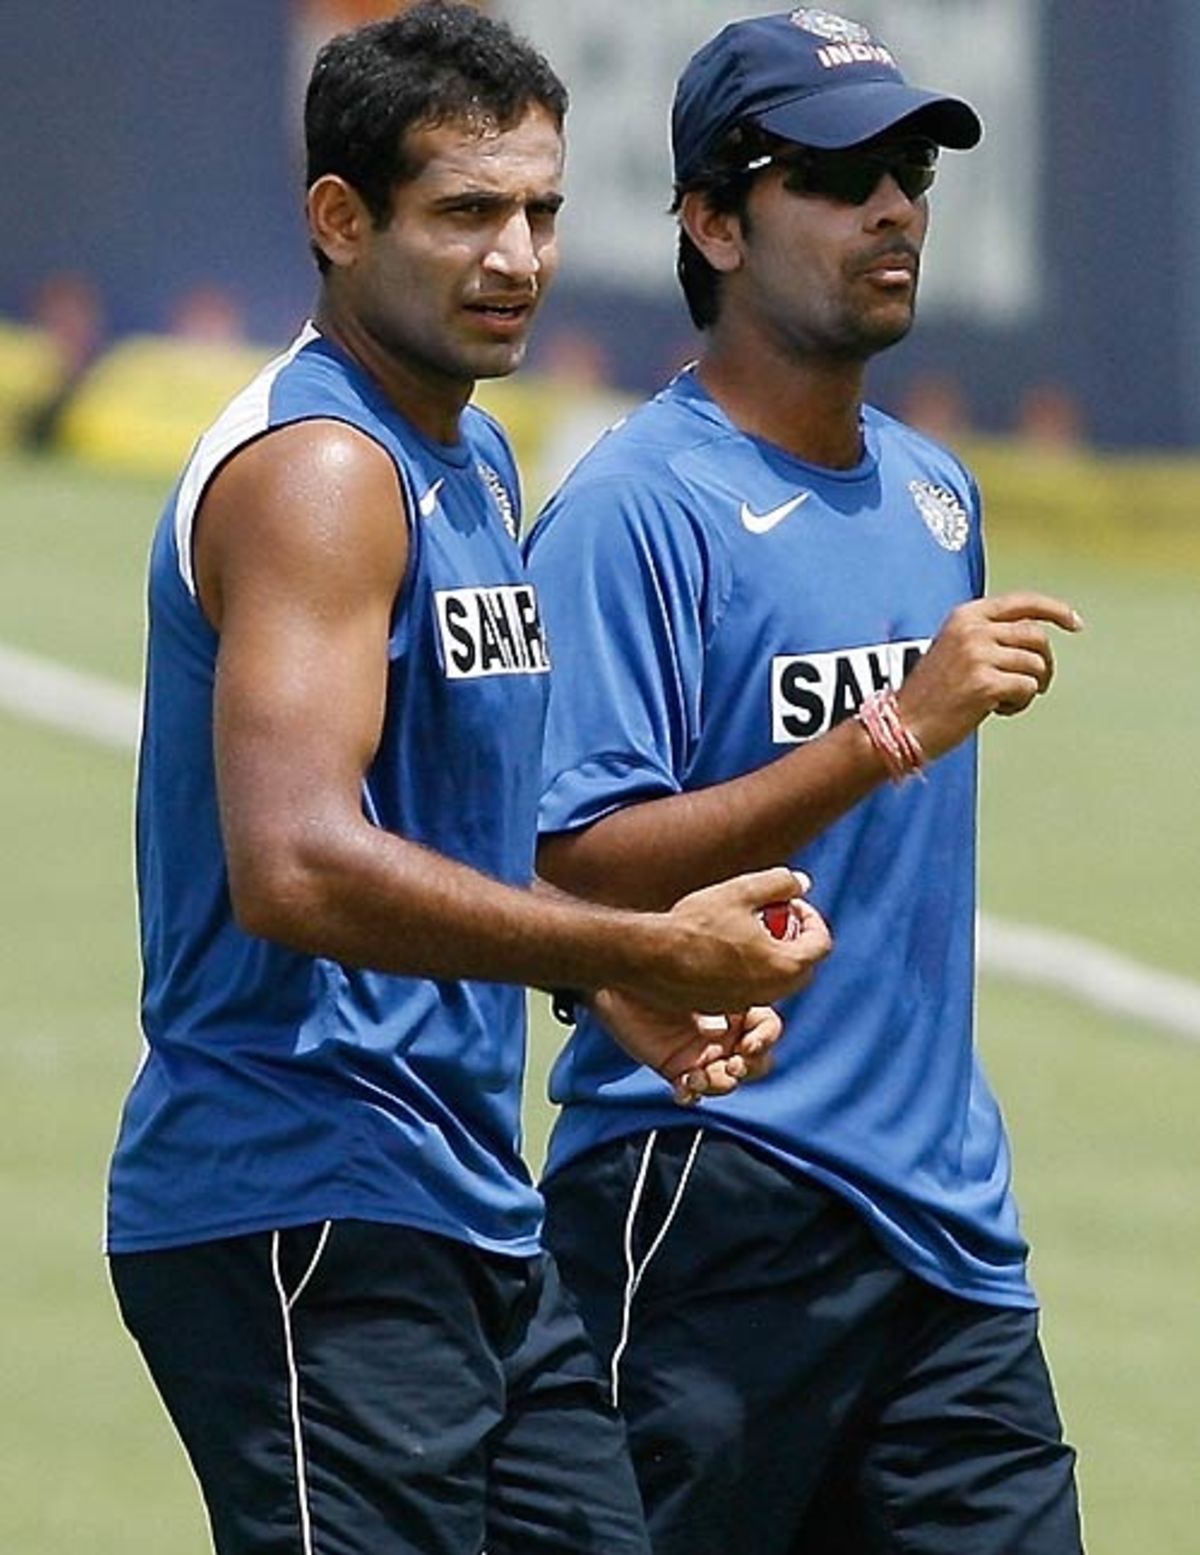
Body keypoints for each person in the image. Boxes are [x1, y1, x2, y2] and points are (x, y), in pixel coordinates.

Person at [103, 8, 830, 1555]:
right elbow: (294, 864)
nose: (518, 256)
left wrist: (595, 991)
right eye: (465, 212)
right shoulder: (319, 474)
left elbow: (450, 831)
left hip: (457, 1200)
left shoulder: (476, 460)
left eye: (543, 209)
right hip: (300, 1199)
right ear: (338, 220)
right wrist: (633, 947)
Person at [524, 11, 1086, 1554]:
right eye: (841, 176)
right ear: (713, 218)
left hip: (949, 1240)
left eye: (909, 172)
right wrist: (885, 732)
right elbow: (574, 871)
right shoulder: (637, 512)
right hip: (708, 1202)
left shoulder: (934, 489)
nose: (896, 208)